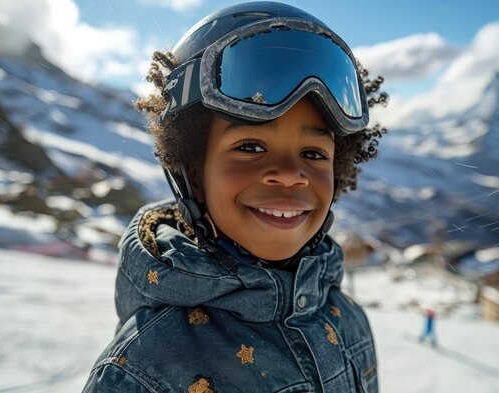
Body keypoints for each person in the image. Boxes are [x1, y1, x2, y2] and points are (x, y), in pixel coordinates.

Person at [82, 2, 386, 392]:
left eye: (313, 154)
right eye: (251, 147)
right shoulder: (146, 368)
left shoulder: (346, 318)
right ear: (193, 169)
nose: (291, 175)